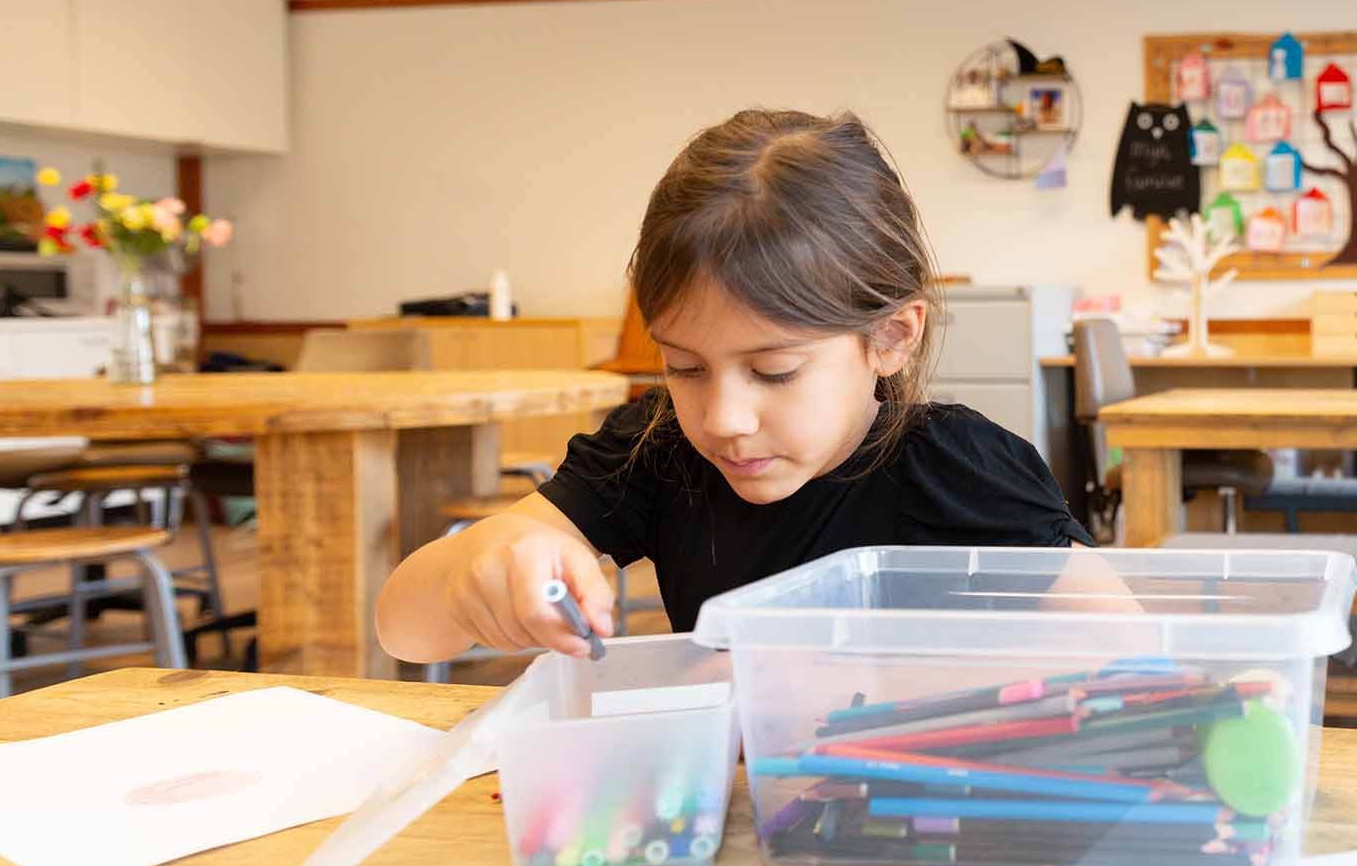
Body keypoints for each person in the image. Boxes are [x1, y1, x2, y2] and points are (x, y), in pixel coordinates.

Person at [376, 108, 1090, 663]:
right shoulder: (656, 451)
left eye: (773, 371)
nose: (723, 418)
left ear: (889, 338)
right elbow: (401, 628)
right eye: (684, 366)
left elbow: (1135, 664)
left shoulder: (960, 471)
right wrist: (480, 570)